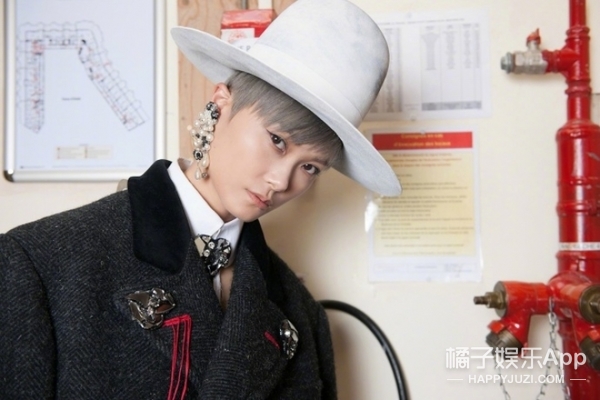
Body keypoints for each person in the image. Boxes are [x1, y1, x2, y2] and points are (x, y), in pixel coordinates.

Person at [0, 0, 401, 398]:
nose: (281, 181)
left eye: (310, 167)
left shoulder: (299, 315)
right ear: (221, 103)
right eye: (277, 140)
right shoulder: (40, 264)